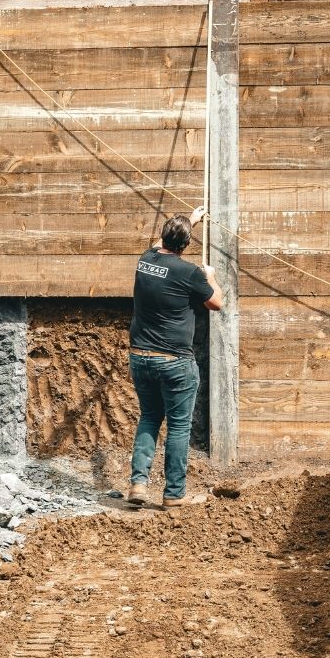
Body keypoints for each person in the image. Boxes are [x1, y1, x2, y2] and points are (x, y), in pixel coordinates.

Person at [127, 206, 223, 508]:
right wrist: (212, 277)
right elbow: (216, 303)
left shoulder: (146, 261)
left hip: (140, 357)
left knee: (149, 418)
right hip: (174, 362)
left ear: (162, 237)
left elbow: (161, 246)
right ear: (186, 245)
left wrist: (188, 221)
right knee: (179, 427)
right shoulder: (190, 273)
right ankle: (173, 494)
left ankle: (138, 485)